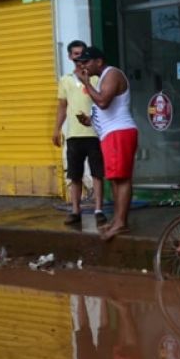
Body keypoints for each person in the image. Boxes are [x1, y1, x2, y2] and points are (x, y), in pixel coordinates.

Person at [73, 46, 136, 241]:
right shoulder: (103, 78)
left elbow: (103, 102)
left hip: (119, 133)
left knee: (122, 179)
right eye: (80, 62)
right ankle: (118, 220)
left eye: (87, 61)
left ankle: (121, 223)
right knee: (116, 179)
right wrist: (91, 121)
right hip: (111, 134)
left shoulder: (112, 73)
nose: (83, 65)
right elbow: (106, 109)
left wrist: (85, 83)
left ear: (99, 61)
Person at [53, 40, 107, 227]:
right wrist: (57, 129)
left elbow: (104, 103)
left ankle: (99, 209)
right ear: (69, 56)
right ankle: (76, 210)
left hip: (95, 133)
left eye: (82, 55)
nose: (79, 59)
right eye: (75, 55)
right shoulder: (66, 80)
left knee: (97, 174)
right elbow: (62, 106)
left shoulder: (95, 78)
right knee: (74, 175)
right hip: (74, 134)